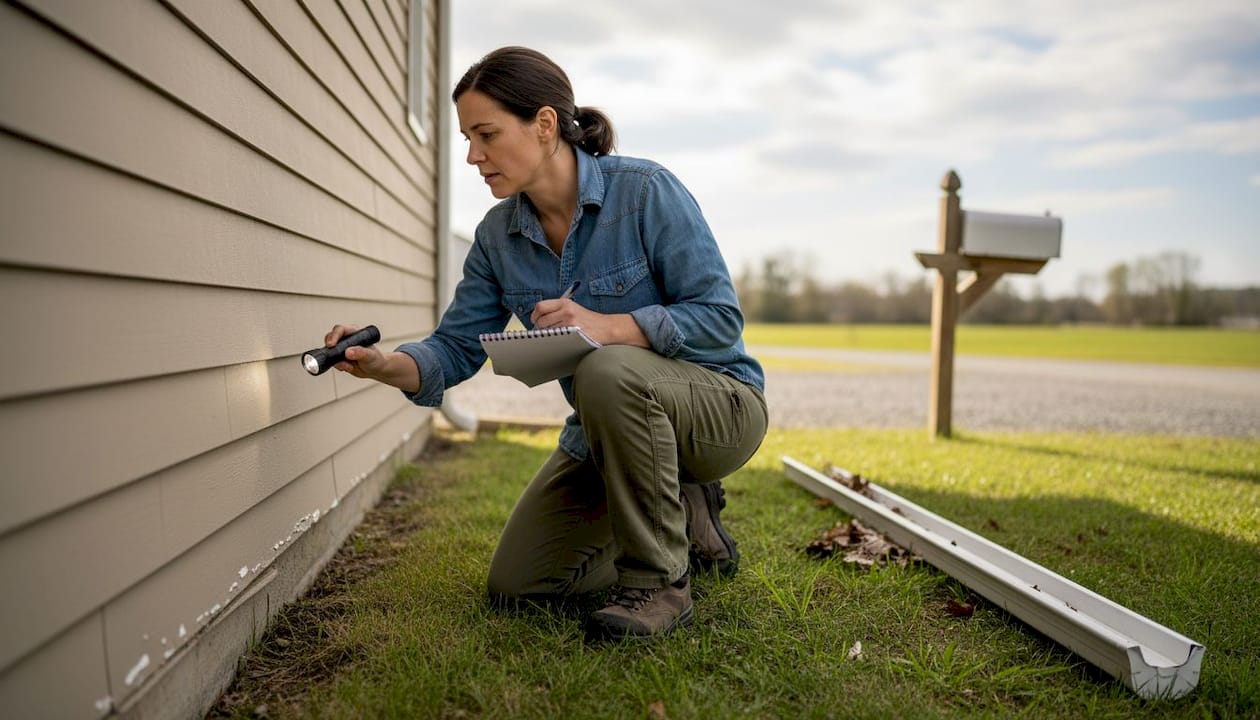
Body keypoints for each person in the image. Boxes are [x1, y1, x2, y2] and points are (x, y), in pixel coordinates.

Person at [323, 46, 767, 641]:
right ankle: (682, 516)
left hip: (718, 409)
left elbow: (718, 318)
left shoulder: (646, 191)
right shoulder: (497, 238)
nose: (473, 156)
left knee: (606, 371)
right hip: (608, 432)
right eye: (467, 139)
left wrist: (607, 327)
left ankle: (659, 584)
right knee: (521, 585)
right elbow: (455, 349)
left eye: (486, 134)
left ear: (545, 125)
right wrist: (382, 364)